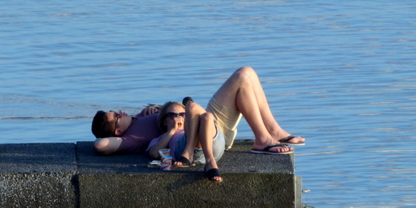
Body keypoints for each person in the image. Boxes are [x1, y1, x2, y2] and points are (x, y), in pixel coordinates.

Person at [91, 66, 305, 166]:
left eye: (116, 110)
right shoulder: (130, 139)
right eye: (116, 116)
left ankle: (273, 131)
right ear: (118, 130)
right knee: (240, 77)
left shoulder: (141, 116)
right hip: (204, 131)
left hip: (204, 123)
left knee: (247, 73)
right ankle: (262, 140)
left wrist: (156, 107)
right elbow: (100, 146)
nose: (120, 112)